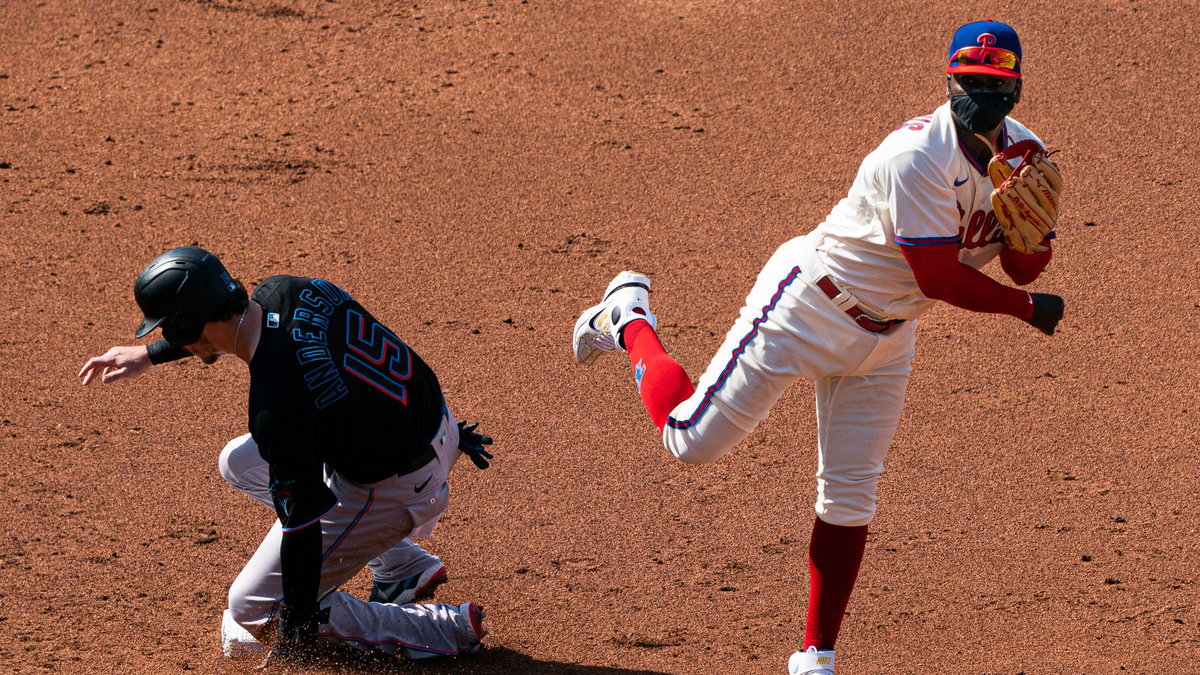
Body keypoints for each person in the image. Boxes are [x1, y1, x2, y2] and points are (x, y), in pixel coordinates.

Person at [571, 19, 1062, 675]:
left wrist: (1033, 234)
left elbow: (1024, 267)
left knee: (850, 497)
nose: (982, 95)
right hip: (808, 306)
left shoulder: (1027, 156)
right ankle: (628, 316)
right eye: (970, 82)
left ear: (1017, 88)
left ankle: (816, 656)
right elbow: (938, 276)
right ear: (949, 80)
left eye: (996, 85)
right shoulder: (914, 157)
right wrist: (1027, 309)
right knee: (687, 439)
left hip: (888, 339)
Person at [79, 246, 494, 665]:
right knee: (239, 461)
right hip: (432, 426)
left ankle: (442, 627)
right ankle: (403, 566)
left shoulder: (277, 404)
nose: (168, 337)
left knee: (252, 608)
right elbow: (249, 339)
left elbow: (303, 529)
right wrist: (150, 354)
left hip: (395, 488)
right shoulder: (288, 291)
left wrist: (293, 642)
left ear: (189, 324)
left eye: (170, 330)